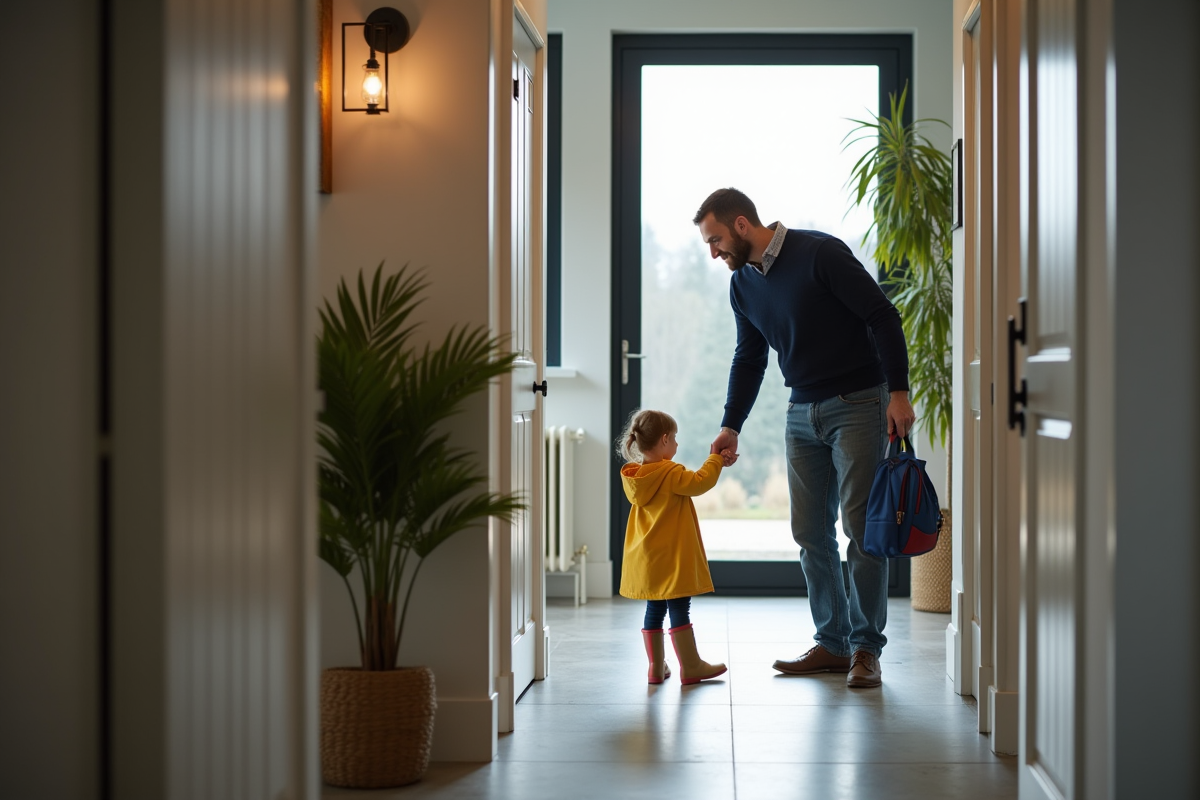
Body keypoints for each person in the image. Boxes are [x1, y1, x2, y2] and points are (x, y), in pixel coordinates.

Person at [696, 187, 915, 689]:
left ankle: (865, 649)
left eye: (716, 240)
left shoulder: (819, 253)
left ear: (743, 225)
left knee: (861, 531)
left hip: (860, 402)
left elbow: (883, 316)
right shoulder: (743, 285)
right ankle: (833, 644)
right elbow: (749, 358)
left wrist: (898, 394)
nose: (714, 253)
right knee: (810, 532)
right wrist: (731, 424)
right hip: (801, 411)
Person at [618, 409, 734, 685]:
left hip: (648, 559)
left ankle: (656, 668)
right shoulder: (670, 473)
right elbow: (700, 482)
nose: (678, 445)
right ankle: (691, 665)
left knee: (654, 609)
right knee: (680, 606)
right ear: (664, 439)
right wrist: (715, 459)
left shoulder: (637, 477)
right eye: (675, 439)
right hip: (672, 558)